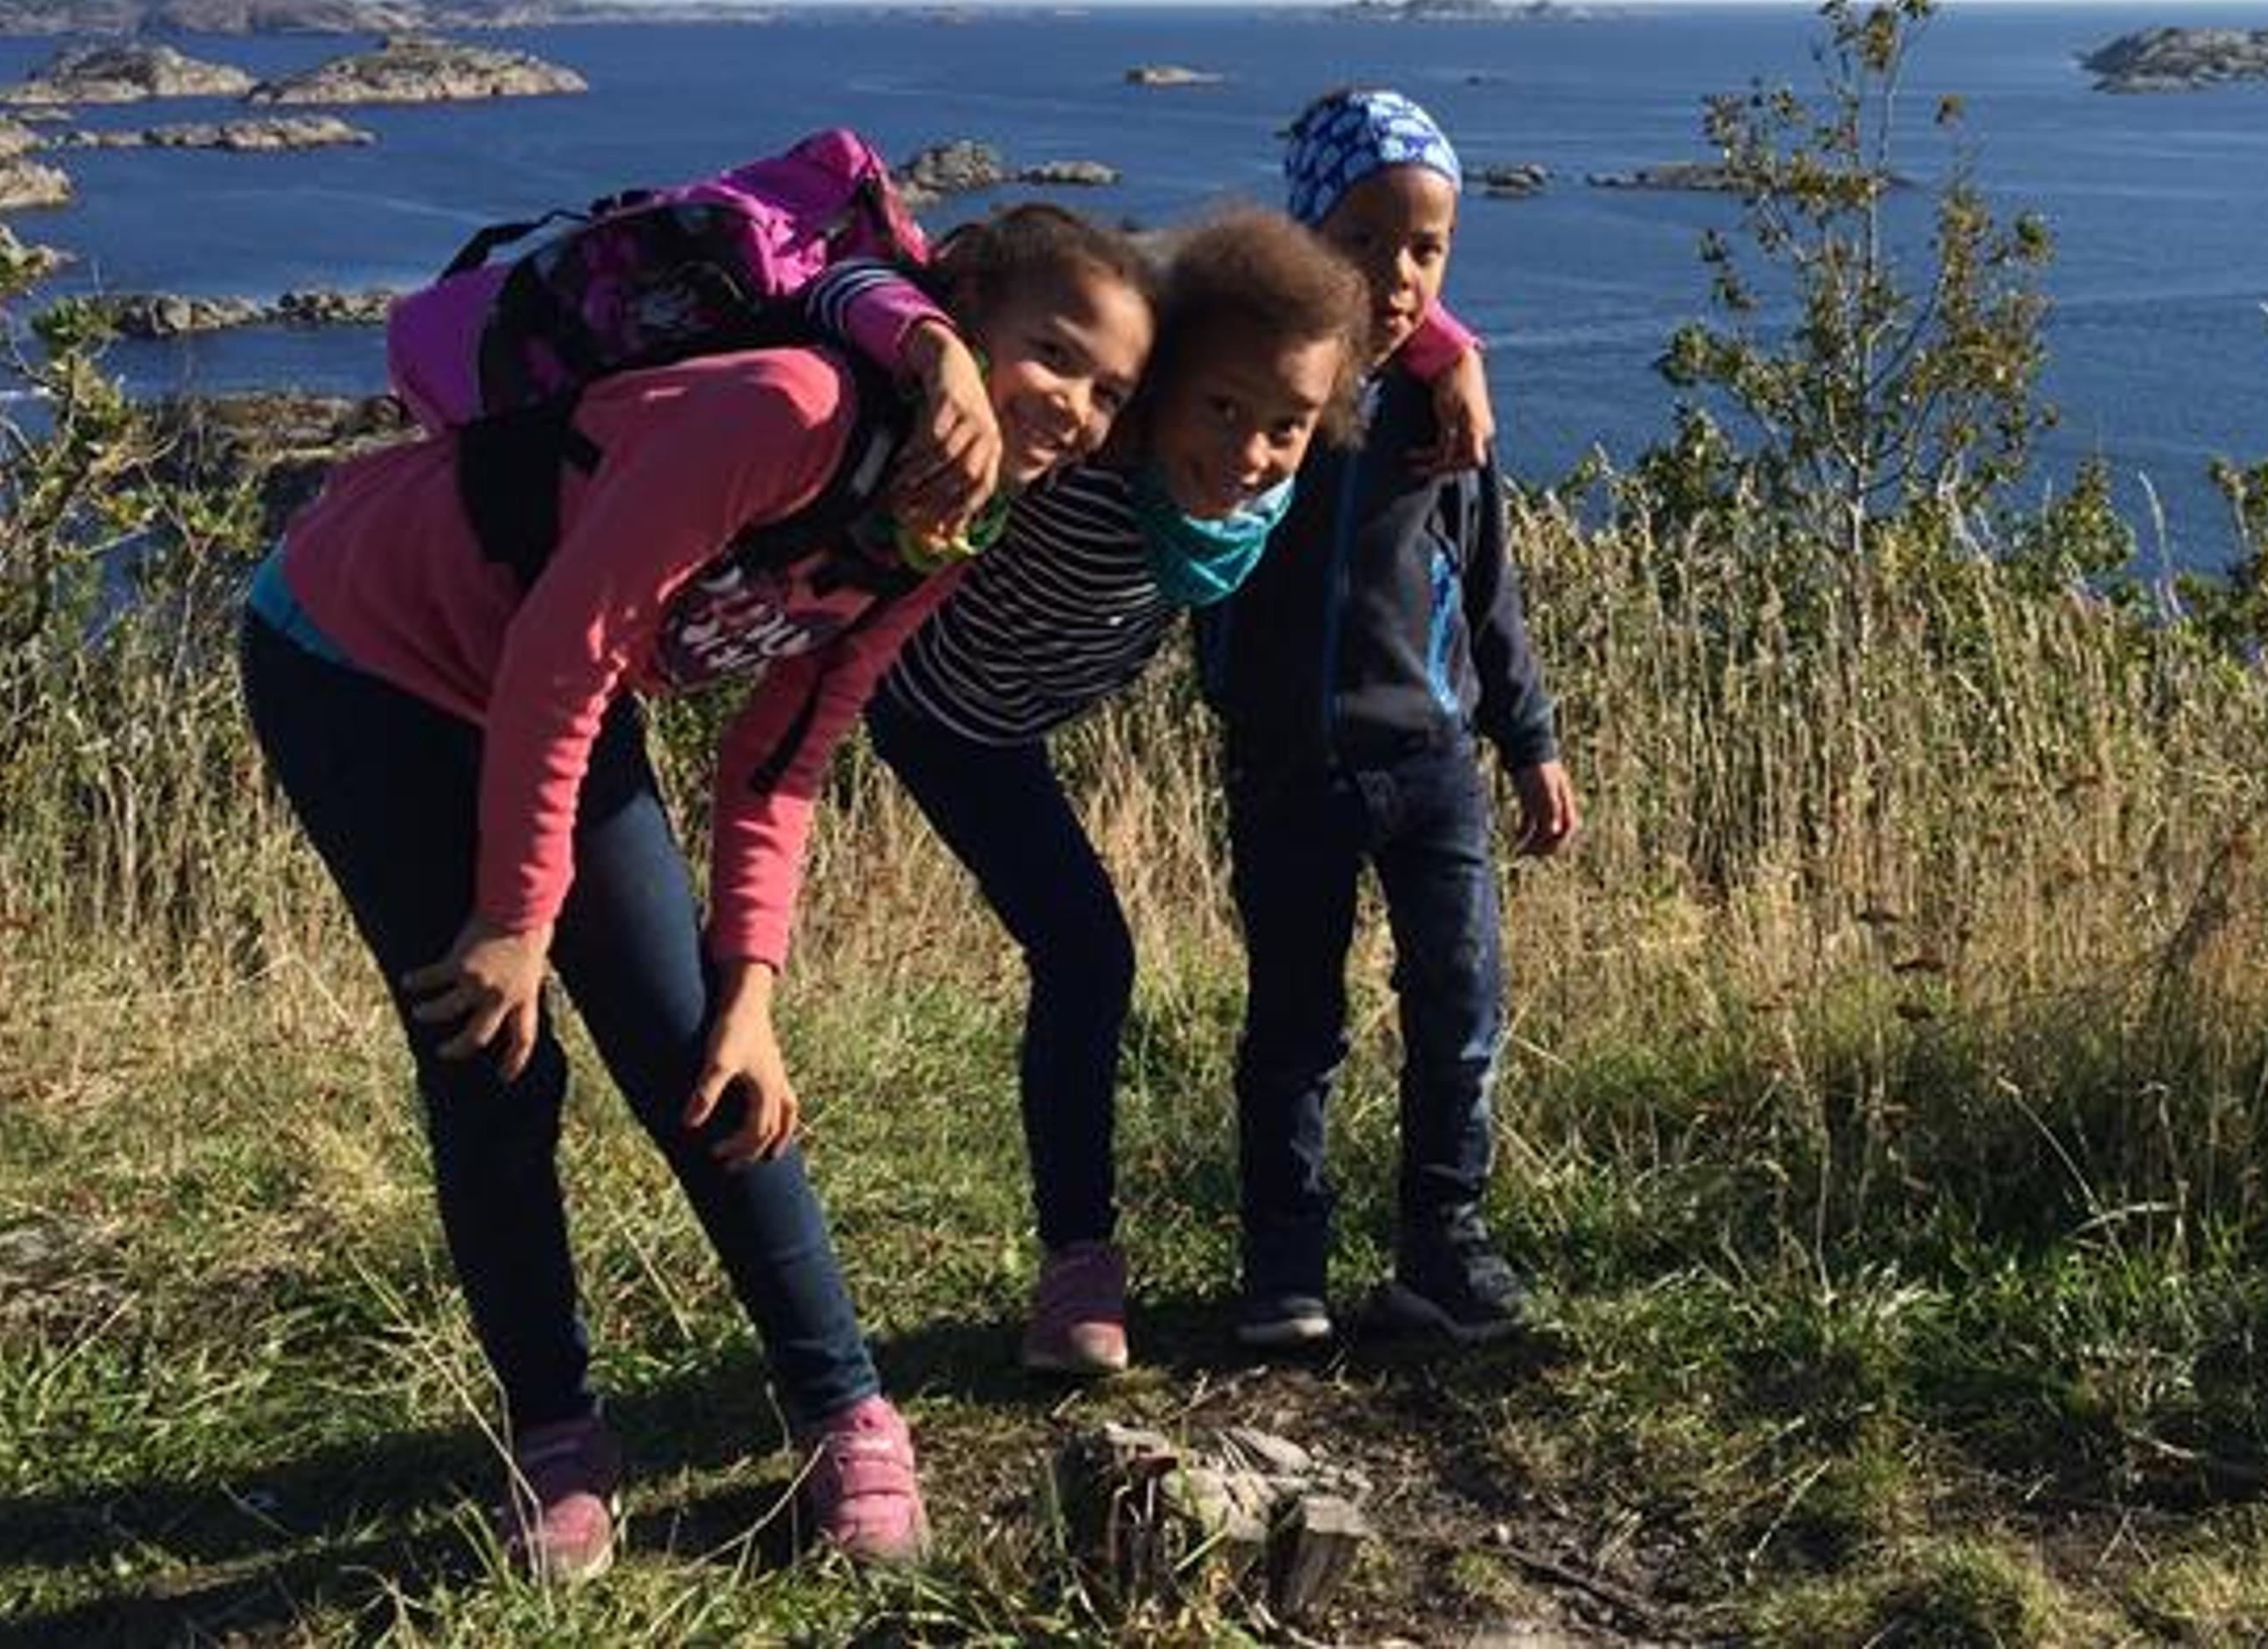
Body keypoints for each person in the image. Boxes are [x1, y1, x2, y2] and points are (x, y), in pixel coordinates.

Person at [237, 203, 1154, 1579]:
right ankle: (555, 1447)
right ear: (959, 313)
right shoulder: (788, 406)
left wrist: (755, 988)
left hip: (547, 673)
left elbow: (787, 746)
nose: (1077, 408)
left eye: (1112, 393)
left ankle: (848, 1414)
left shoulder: (954, 515)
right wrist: (516, 916)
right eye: (1057, 356)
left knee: (699, 1049)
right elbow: (567, 641)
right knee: (492, 1053)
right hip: (355, 651)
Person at [837, 207, 1494, 1376]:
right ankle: (1078, 1266)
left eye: (1286, 425)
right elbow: (991, 306)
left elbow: (1345, 328)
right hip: (941, 717)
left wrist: (1449, 345)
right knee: (1090, 956)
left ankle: (1085, 1260)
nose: (1246, 450)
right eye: (1221, 409)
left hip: (1028, 719)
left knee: (1094, 957)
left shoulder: (1254, 498)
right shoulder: (1085, 449)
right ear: (1156, 390)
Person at [1196, 87, 1580, 1349]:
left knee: (1460, 1010)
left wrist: (1529, 736)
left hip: (1433, 759)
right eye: (1364, 239)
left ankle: (1441, 1246)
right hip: (1286, 763)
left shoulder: (1441, 407)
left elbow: (1486, 575)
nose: (1398, 272)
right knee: (1294, 1021)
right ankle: (1284, 1265)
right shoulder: (1250, 392)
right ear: (1306, 233)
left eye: (1428, 248)